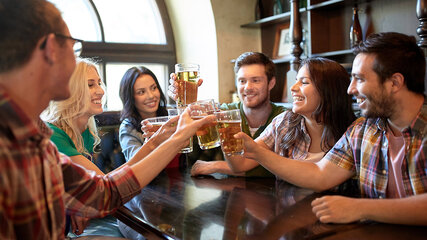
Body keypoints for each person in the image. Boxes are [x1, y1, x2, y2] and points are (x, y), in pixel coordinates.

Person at [0, 0, 215, 238]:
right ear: (51, 49)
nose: (100, 90)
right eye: (74, 49)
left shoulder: (31, 133)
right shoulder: (23, 140)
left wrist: (162, 138)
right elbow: (104, 194)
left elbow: (99, 193)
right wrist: (176, 138)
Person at [232, 32, 427, 225]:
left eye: (360, 79)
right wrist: (257, 152)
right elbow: (320, 174)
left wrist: (360, 208)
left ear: (394, 83)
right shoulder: (362, 130)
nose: (350, 89)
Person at [225, 57, 356, 185]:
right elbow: (240, 164)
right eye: (296, 81)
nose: (292, 88)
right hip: (287, 205)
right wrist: (225, 135)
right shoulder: (284, 122)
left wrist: (258, 152)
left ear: (329, 90)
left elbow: (321, 177)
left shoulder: (353, 133)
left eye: (304, 82)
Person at [169, 52, 286, 177]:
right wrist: (183, 104)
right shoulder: (224, 113)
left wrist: (216, 165)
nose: (247, 87)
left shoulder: (283, 117)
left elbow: (279, 168)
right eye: (242, 81)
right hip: (226, 192)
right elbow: (186, 144)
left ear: (271, 83)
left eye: (255, 80)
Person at [118, 66, 180, 168]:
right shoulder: (128, 127)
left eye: (153, 88)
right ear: (130, 98)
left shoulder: (170, 114)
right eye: (141, 92)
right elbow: (135, 165)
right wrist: (154, 142)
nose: (151, 96)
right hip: (152, 183)